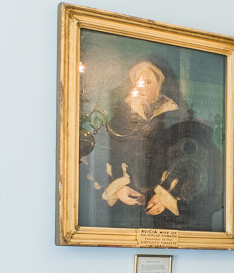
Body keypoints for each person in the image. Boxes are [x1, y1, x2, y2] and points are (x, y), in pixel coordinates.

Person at [84, 56, 221, 230]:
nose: (142, 88)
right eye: (138, 82)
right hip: (126, 208)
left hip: (168, 213)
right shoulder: (120, 117)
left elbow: (196, 162)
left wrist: (167, 195)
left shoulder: (177, 118)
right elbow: (100, 152)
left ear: (160, 84)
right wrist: (117, 186)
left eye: (148, 82)